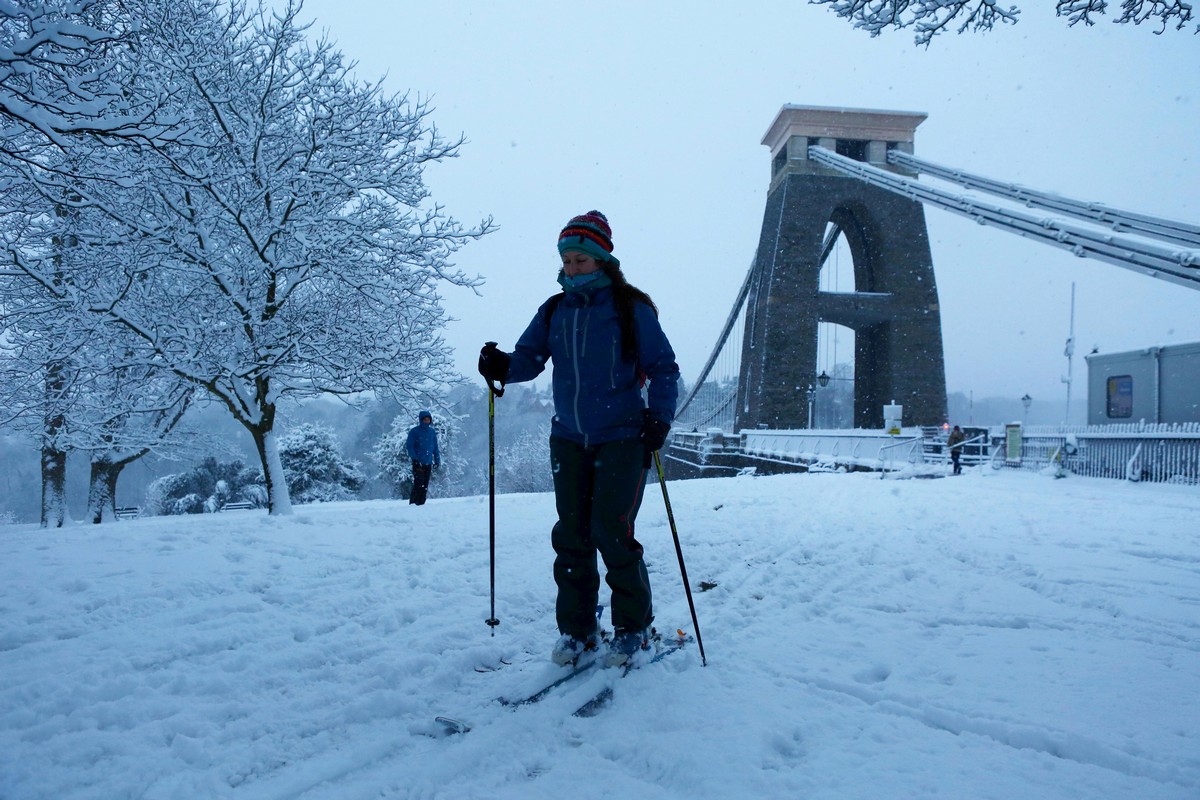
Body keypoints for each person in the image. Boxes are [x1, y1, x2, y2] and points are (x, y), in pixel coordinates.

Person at [477, 210, 680, 667]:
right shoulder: (555, 309)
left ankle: (634, 628)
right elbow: (529, 359)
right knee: (571, 536)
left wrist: (659, 419)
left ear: (602, 260)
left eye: (580, 261)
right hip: (568, 439)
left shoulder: (631, 309)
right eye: (566, 260)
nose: (571, 269)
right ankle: (579, 632)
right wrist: (502, 365)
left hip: (624, 437)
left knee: (612, 532)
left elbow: (664, 368)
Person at [405, 410, 440, 505]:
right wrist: (415, 459)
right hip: (418, 463)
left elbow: (435, 447)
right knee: (418, 483)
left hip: (428, 463)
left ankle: (421, 505)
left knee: (425, 485)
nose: (427, 421)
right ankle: (413, 504)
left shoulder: (432, 432)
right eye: (425, 419)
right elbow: (410, 446)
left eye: (428, 419)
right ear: (421, 420)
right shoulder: (414, 432)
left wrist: (437, 460)